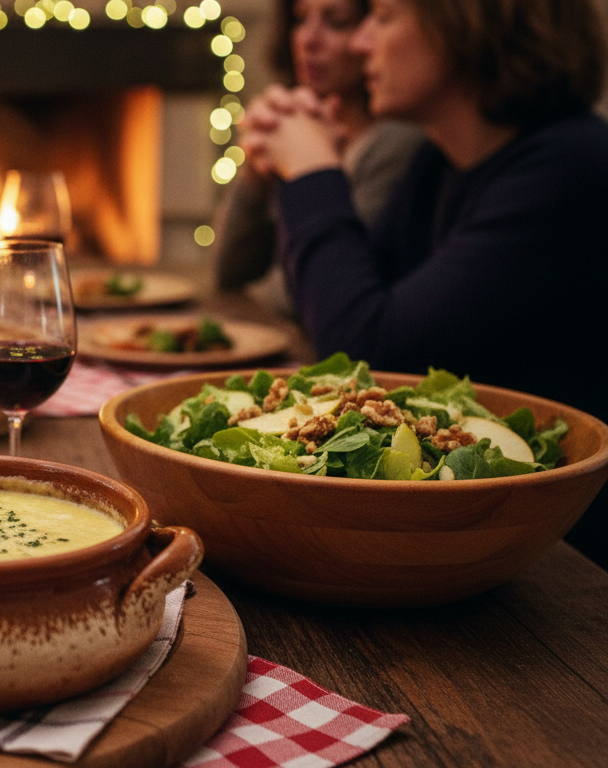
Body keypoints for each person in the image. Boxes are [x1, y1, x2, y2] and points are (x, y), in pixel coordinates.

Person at [241, 0, 608, 566]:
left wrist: (313, 173)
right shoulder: (440, 164)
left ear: (469, 23)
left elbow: (366, 342)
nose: (362, 42)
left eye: (383, 16)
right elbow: (347, 313)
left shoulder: (572, 167)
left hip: (563, 561)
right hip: (463, 533)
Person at [213, 0, 423, 315]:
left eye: (336, 22)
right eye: (299, 20)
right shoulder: (303, 124)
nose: (308, 40)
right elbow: (229, 269)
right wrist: (255, 174)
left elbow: (306, 296)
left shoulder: (394, 144)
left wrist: (308, 170)